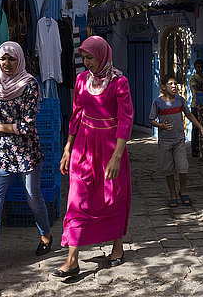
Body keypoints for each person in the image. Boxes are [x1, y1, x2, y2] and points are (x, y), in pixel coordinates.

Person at [0, 41, 52, 277]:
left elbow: (26, 126)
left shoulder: (30, 84)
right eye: (3, 58)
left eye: (12, 59)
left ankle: (45, 234)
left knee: (33, 197)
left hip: (28, 154)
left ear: (20, 60)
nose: (7, 64)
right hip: (2, 157)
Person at [54, 36, 133, 278]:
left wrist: (117, 157)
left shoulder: (119, 82)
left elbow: (126, 120)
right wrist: (68, 147)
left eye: (90, 57)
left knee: (112, 197)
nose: (86, 62)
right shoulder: (80, 80)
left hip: (110, 147)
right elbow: (76, 114)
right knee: (77, 198)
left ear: (102, 55)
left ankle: (117, 247)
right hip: (83, 146)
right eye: (84, 57)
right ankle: (72, 259)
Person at [150, 74, 203, 208]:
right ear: (164, 87)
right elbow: (151, 120)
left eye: (175, 83)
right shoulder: (158, 102)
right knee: (168, 169)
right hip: (165, 141)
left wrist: (200, 127)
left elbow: (189, 115)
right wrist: (161, 125)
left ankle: (183, 191)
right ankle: (173, 195)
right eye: (170, 84)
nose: (174, 86)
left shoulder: (181, 101)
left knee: (183, 168)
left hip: (179, 140)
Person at [188, 59, 203, 157]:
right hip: (195, 105)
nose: (200, 69)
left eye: (201, 67)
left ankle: (202, 148)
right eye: (198, 67)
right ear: (195, 67)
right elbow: (197, 90)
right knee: (196, 127)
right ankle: (194, 149)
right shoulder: (193, 78)